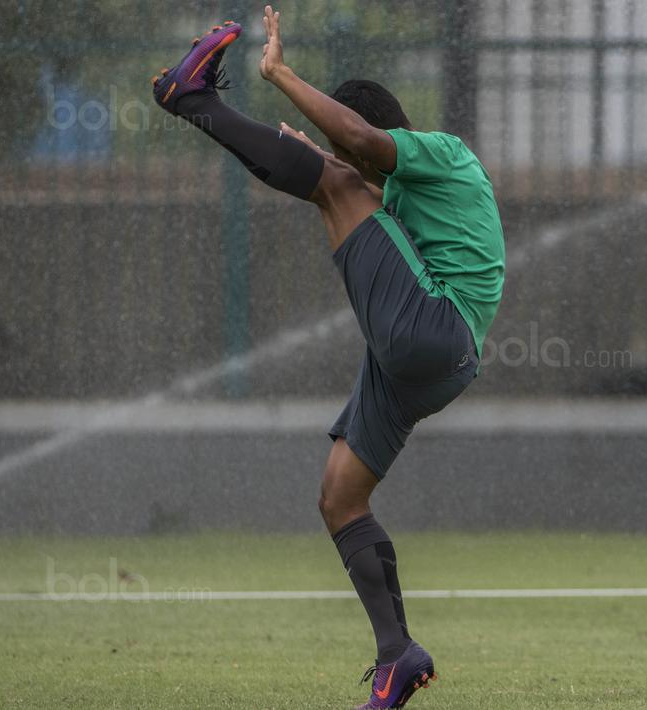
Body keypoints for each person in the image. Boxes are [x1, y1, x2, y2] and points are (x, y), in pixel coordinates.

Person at [151, 7, 505, 708]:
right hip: (431, 363)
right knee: (339, 498)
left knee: (332, 183)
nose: (338, 148)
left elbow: (354, 148)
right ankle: (397, 654)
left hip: (433, 327)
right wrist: (300, 151)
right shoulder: (400, 195)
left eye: (343, 135)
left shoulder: (440, 150)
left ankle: (189, 98)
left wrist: (280, 75)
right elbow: (341, 171)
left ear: (379, 133)